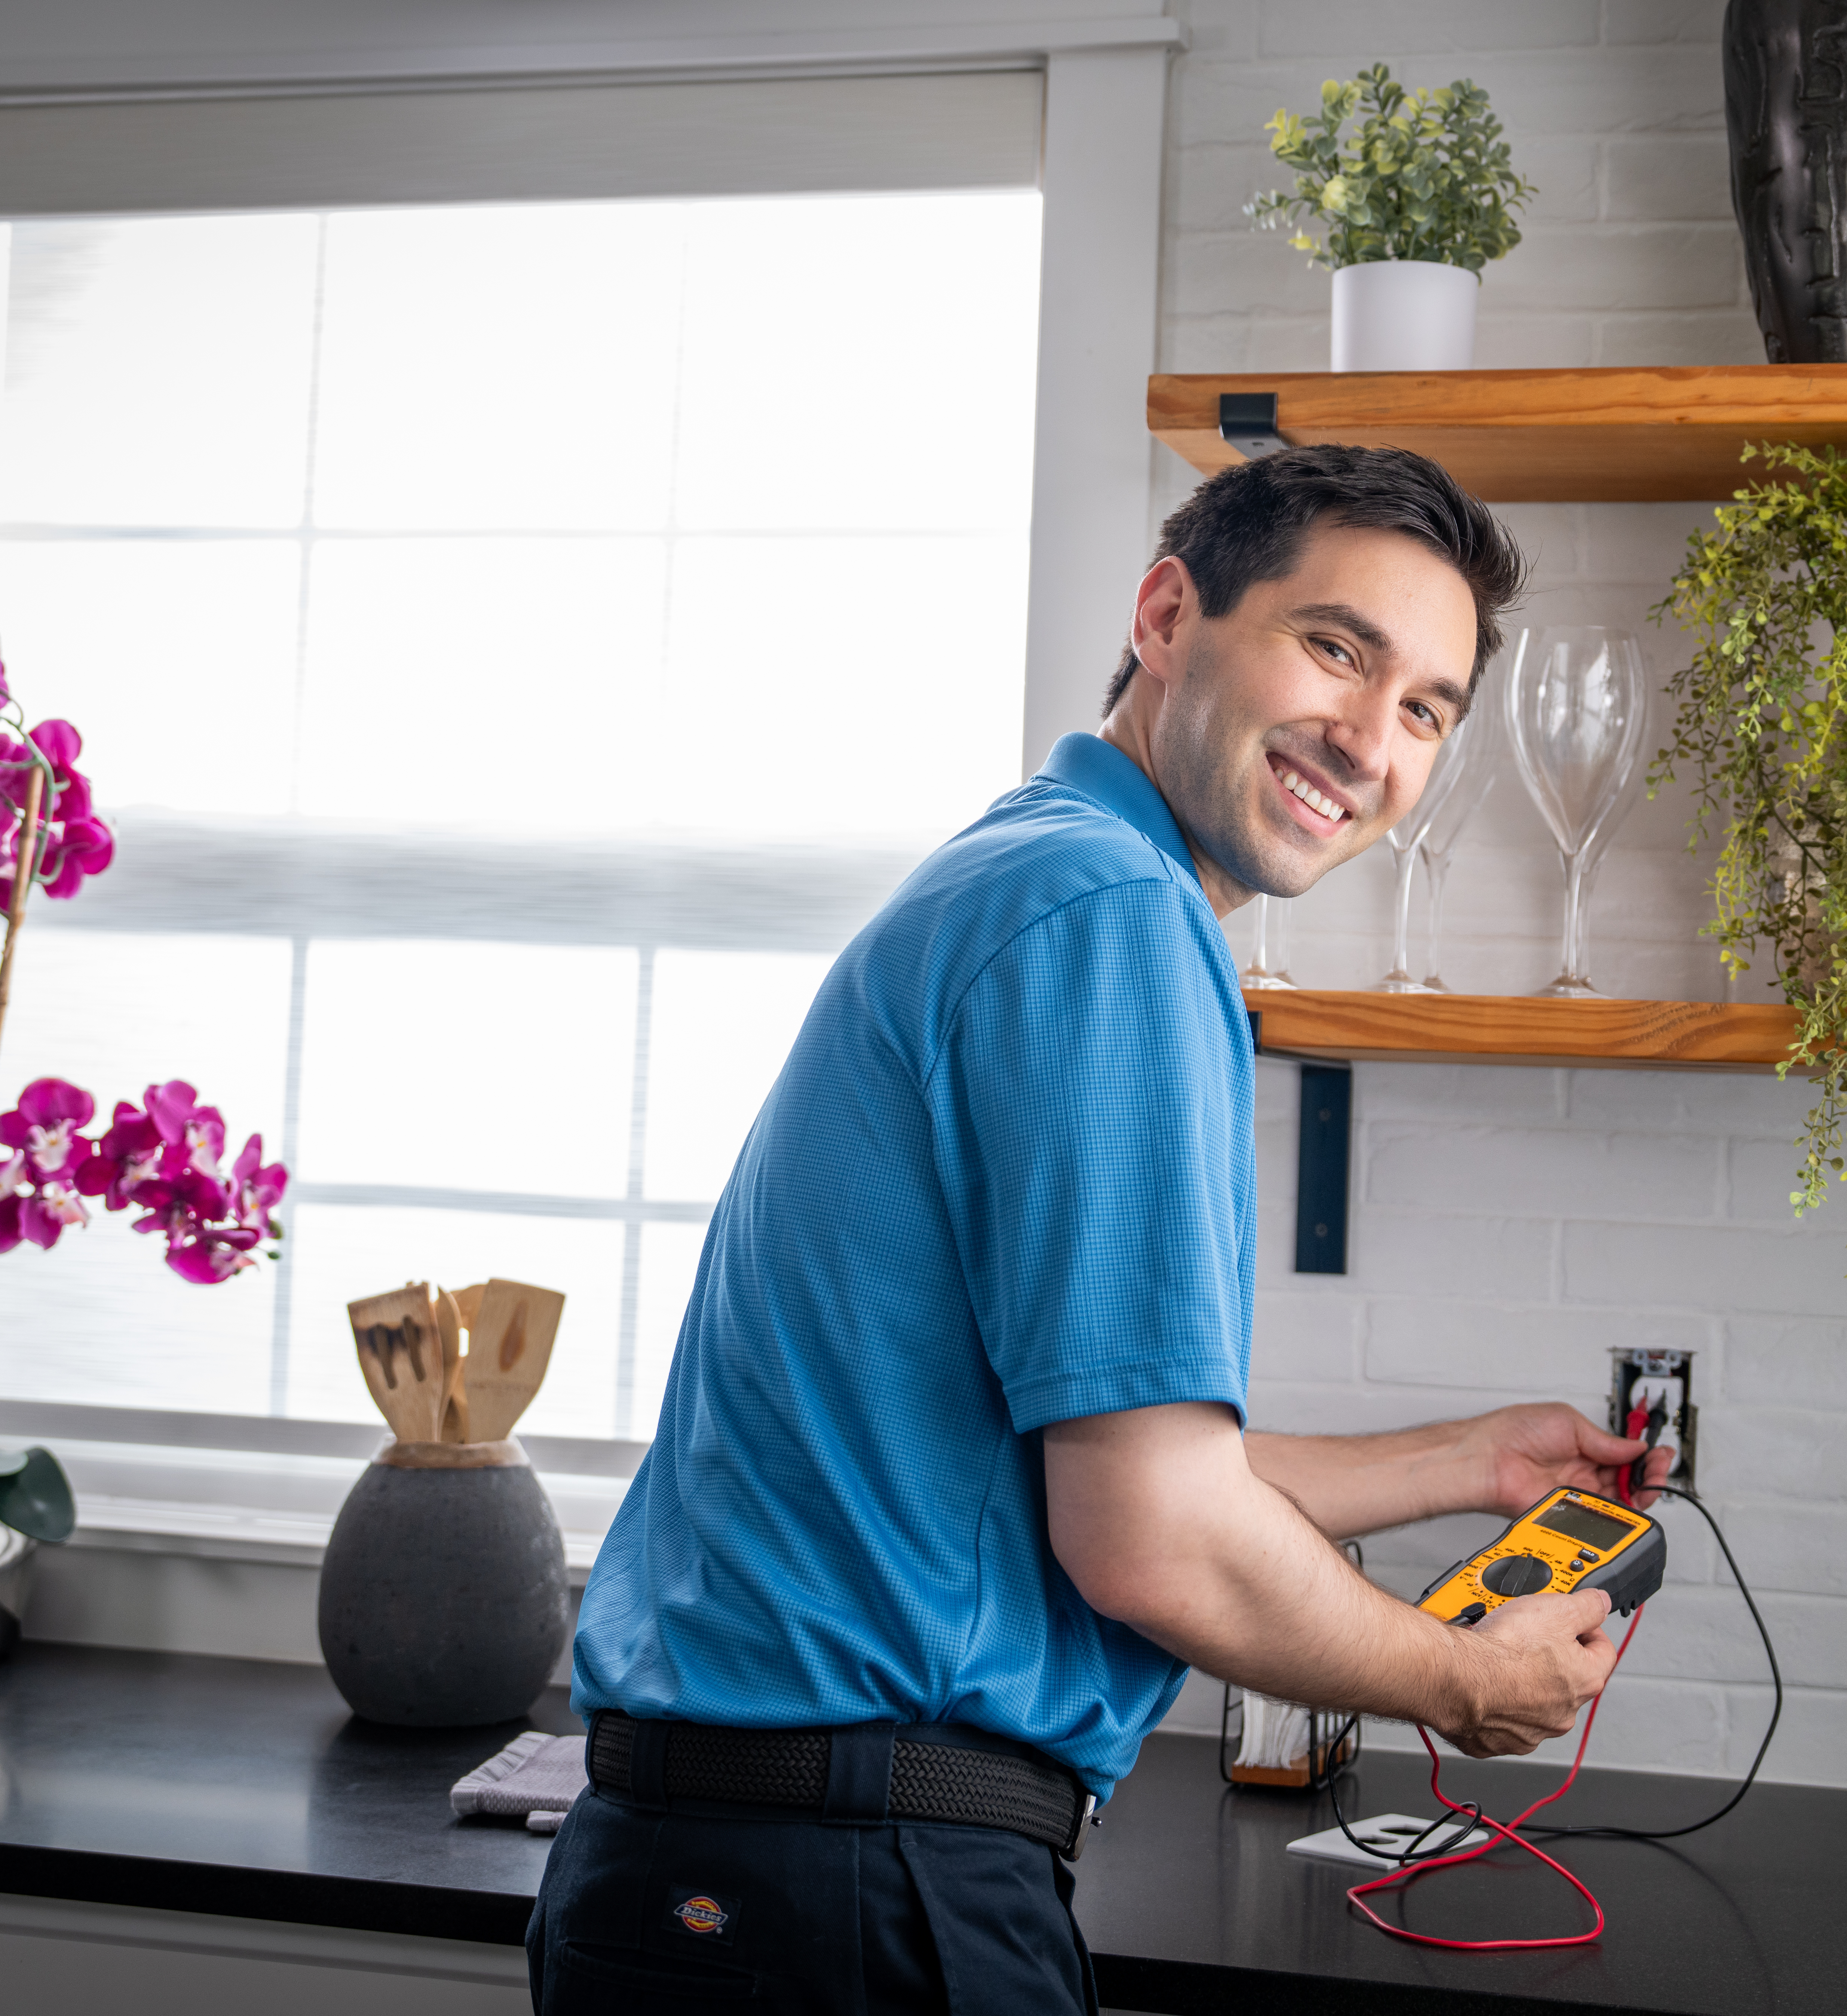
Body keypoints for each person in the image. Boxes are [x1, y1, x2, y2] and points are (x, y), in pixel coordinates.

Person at [532, 445, 1672, 2016]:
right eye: (1335, 649)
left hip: (731, 1872)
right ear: (1163, 612)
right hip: (856, 1887)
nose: (1369, 740)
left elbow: (1098, 1465)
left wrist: (1462, 1467)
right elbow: (1147, 1540)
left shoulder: (1025, 877)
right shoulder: (1110, 918)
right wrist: (1459, 1676)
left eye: (1423, 710)